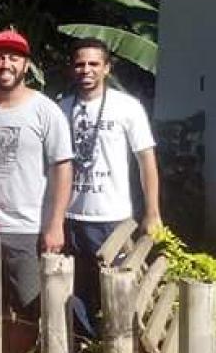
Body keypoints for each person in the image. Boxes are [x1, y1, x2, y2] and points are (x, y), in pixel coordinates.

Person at [0, 29, 73, 353]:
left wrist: (55, 223)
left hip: (28, 228)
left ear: (26, 64)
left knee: (28, 309)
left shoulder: (45, 110)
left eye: (13, 57)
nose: (6, 64)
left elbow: (63, 167)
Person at [59, 38, 161, 335]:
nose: (86, 70)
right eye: (80, 64)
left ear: (107, 68)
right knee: (76, 294)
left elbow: (146, 160)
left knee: (117, 294)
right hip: (71, 219)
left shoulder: (127, 107)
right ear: (72, 68)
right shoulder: (62, 108)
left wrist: (152, 212)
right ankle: (85, 352)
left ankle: (120, 352)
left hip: (113, 220)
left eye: (94, 64)